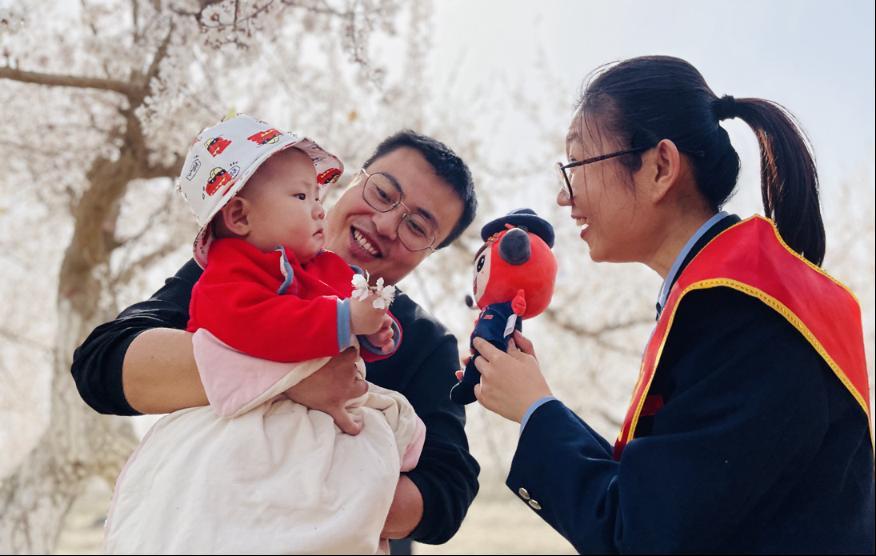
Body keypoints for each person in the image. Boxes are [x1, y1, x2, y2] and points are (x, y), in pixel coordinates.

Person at [469, 55, 874, 553]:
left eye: (575, 165)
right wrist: (538, 403)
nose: (562, 197)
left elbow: (643, 536)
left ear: (660, 167)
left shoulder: (739, 314)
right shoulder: (738, 296)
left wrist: (535, 410)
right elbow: (662, 497)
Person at [72, 126, 480, 546]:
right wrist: (293, 379)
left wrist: (316, 494)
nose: (385, 223)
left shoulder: (425, 342)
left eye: (417, 227)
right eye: (382, 193)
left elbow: (447, 493)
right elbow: (102, 364)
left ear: (430, 253)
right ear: (352, 182)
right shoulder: (241, 259)